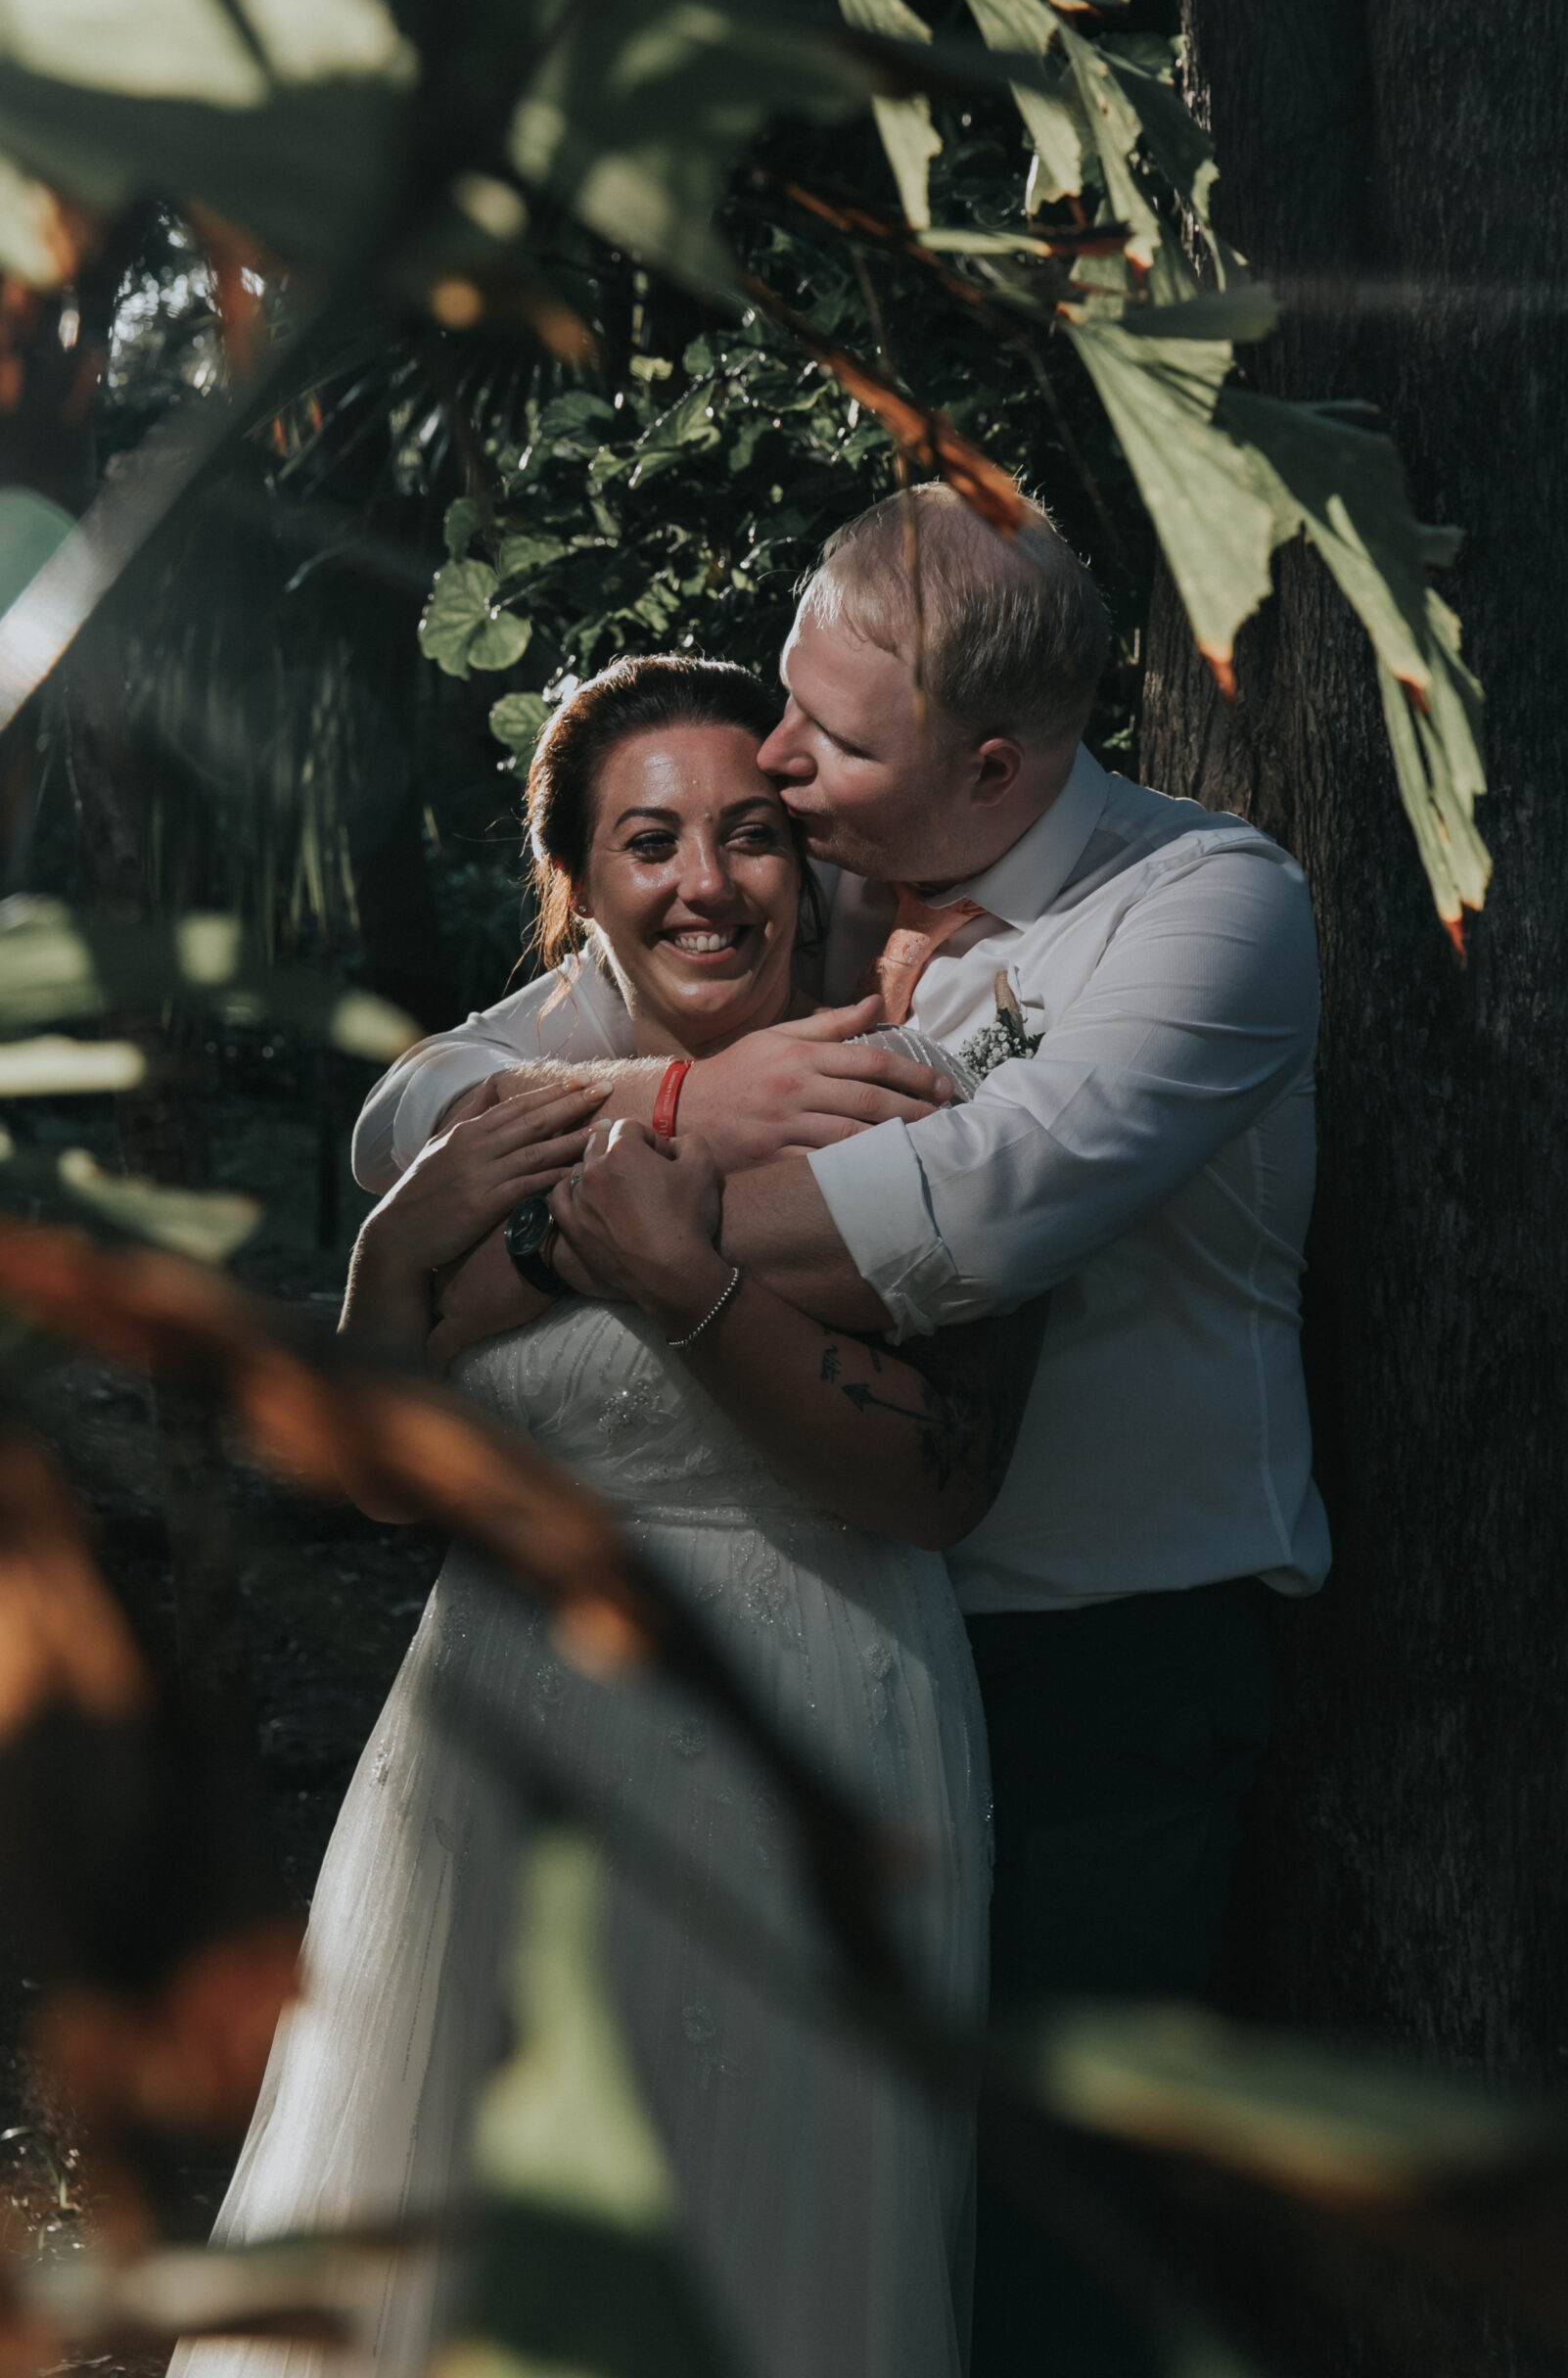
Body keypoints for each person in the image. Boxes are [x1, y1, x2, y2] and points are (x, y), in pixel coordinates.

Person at [355, 484, 1329, 2376]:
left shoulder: (1205, 914)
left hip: (1099, 1657)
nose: (780, 769)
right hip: (836, 1664)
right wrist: (680, 1108)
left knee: (1031, 2263)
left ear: (989, 766)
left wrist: (546, 1238)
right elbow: (448, 1092)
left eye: (825, 738)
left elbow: (959, 1219)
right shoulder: (829, 874)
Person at [179, 655, 1048, 2378]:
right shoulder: (500, 1115)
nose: (706, 883)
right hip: (496, 1732)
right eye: (650, 843)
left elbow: (943, 1487)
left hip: (810, 1716)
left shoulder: (914, 1074)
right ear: (578, 885)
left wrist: (688, 1286)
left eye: (749, 837)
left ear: (810, 867)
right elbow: (373, 1470)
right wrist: (384, 1264)